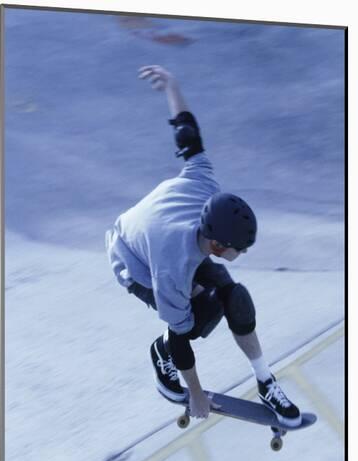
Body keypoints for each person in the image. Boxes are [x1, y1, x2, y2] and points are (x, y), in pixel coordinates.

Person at [105, 65, 301, 428]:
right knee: (196, 316)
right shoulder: (172, 268)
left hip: (163, 232)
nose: (240, 255)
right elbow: (184, 341)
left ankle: (265, 381)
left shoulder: (203, 180)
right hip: (133, 259)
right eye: (237, 250)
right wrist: (194, 393)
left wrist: (172, 86)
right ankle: (157, 352)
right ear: (216, 244)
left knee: (234, 296)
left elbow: (186, 134)